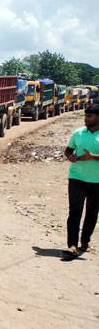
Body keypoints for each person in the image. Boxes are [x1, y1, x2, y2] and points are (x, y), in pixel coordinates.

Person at [64, 104, 99, 256]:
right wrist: (70, 156)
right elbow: (68, 150)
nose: (86, 119)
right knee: (75, 211)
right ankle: (72, 244)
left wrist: (92, 157)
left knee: (92, 213)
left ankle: (85, 242)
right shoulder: (78, 133)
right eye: (85, 115)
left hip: (97, 181)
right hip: (76, 178)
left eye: (90, 116)